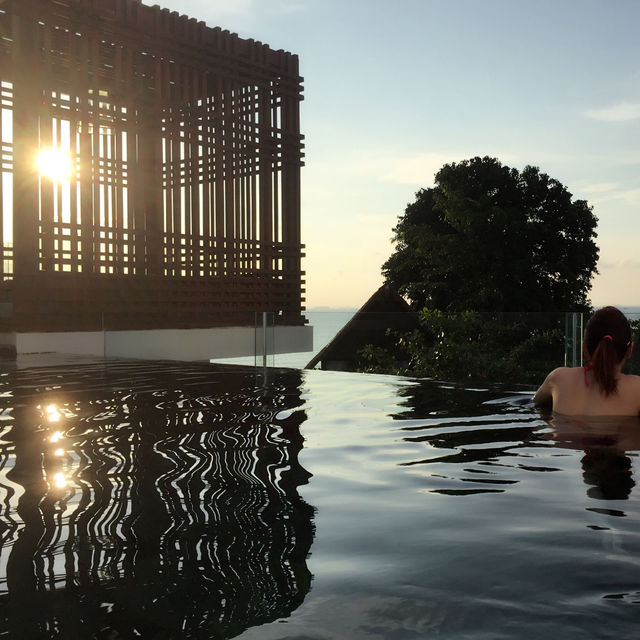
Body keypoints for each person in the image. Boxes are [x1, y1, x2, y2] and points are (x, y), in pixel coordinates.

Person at [533, 306, 640, 416]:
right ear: (629, 350)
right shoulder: (637, 389)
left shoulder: (558, 378)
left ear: (584, 348)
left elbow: (535, 404)